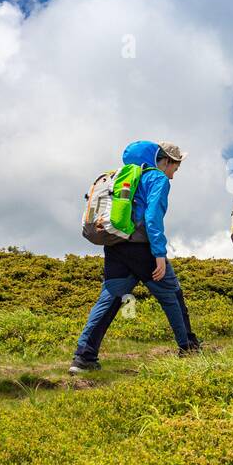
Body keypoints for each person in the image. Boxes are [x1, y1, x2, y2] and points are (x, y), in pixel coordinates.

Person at [70, 141, 200, 373]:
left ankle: (83, 358)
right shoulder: (156, 178)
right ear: (165, 160)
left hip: (115, 246)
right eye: (174, 168)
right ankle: (188, 348)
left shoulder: (117, 177)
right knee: (172, 295)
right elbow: (152, 218)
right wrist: (159, 254)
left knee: (109, 300)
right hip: (142, 248)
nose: (173, 175)